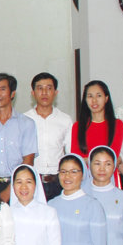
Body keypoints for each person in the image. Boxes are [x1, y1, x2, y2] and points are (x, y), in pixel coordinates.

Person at [24, 72, 72, 200]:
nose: (44, 93)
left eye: (49, 88)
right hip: (33, 181)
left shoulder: (65, 120)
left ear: (55, 92)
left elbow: (70, 153)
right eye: (40, 88)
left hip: (59, 182)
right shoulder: (24, 120)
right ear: (33, 93)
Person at [71, 80, 123, 167]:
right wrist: (101, 161)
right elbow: (76, 159)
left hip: (108, 174)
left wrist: (86, 160)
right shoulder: (77, 126)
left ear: (106, 98)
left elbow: (112, 157)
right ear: (85, 100)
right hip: (85, 174)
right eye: (90, 96)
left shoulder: (117, 125)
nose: (94, 100)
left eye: (99, 96)